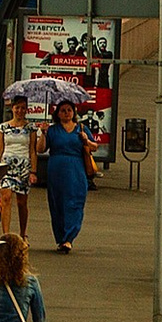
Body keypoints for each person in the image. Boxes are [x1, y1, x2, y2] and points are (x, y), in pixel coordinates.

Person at [43, 103, 102, 252]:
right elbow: (41, 148)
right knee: (57, 203)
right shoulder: (52, 130)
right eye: (63, 111)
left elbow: (94, 146)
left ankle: (69, 238)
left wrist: (85, 141)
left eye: (69, 110)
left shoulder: (80, 129)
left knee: (74, 201)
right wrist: (43, 133)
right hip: (56, 170)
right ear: (58, 113)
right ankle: (61, 238)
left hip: (75, 170)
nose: (66, 113)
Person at [0, 96, 37, 238]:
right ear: (12, 108)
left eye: (23, 108)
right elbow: (0, 149)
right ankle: (6, 236)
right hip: (6, 166)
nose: (20, 111)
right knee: (5, 198)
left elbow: (33, 150)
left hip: (23, 167)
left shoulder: (31, 128)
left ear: (27, 110)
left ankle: (23, 233)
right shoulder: (3, 127)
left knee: (21, 202)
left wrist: (33, 171)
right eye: (17, 107)